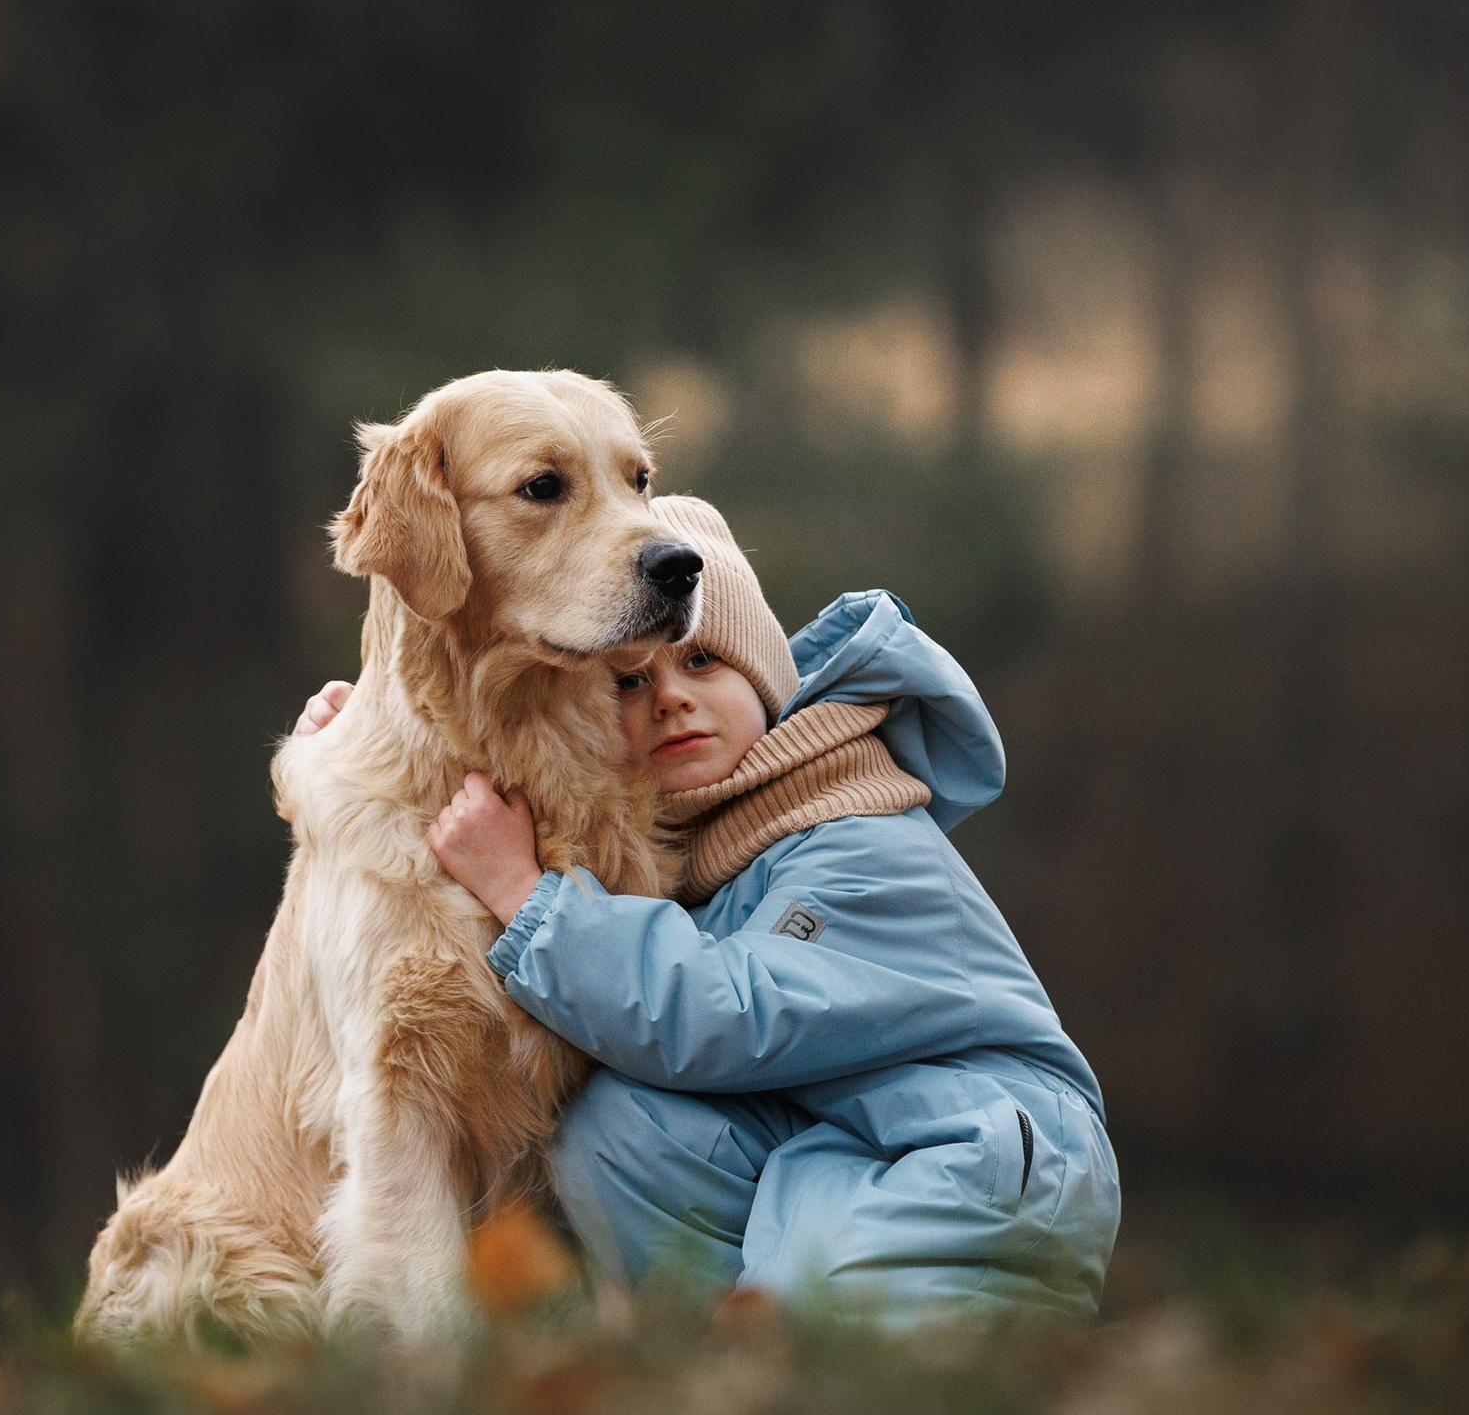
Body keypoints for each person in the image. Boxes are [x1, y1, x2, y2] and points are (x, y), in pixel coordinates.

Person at [295, 495, 1118, 1323]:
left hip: (972, 1152)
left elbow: (725, 1014)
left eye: (701, 664)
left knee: (864, 1346)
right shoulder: (704, 851)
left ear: (764, 677)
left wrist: (525, 896)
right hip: (831, 1161)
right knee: (614, 1123)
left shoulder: (854, 830)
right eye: (628, 680)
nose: (670, 699)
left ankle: (880, 1380)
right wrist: (371, 742)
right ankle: (722, 1345)